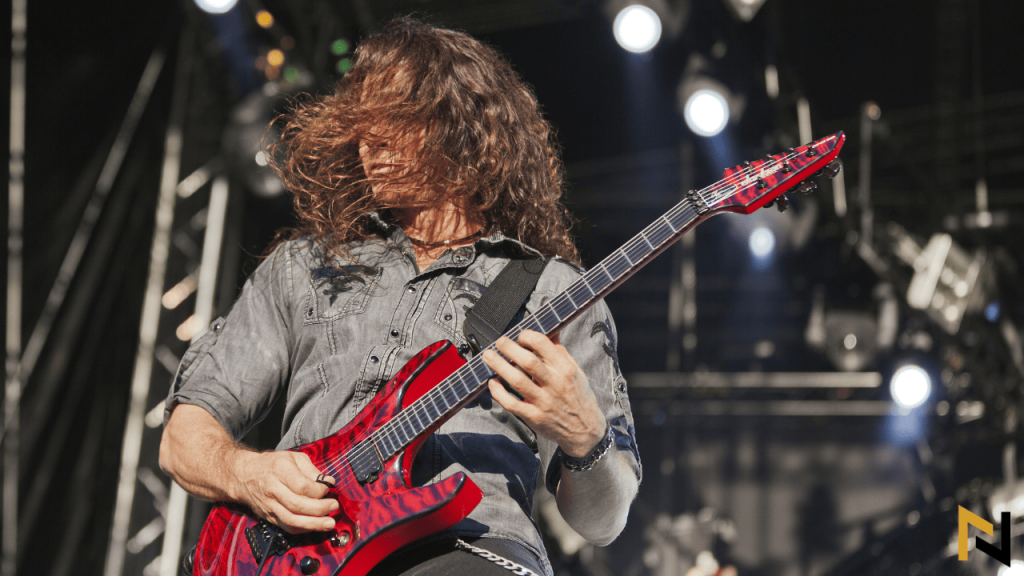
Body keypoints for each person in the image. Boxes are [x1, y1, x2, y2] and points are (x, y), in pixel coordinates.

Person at [159, 17, 641, 576]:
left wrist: (586, 435)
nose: (373, 140)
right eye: (364, 123)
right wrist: (251, 475)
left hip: (469, 550)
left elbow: (603, 521)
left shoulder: (553, 290)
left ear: (465, 128)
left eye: (398, 117)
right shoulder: (305, 265)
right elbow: (182, 439)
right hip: (302, 555)